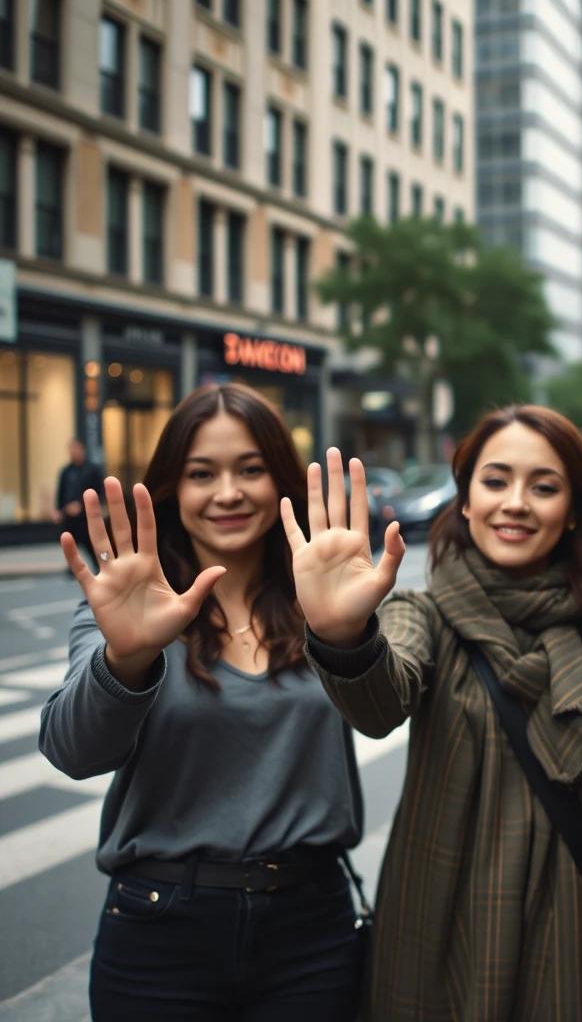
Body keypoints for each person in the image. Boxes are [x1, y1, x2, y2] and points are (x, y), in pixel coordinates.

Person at [284, 405, 582, 1021]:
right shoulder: (423, 616)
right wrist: (342, 633)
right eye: (495, 481)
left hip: (578, 957)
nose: (516, 503)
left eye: (544, 487)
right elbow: (381, 702)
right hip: (436, 949)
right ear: (465, 500)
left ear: (573, 509)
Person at [39, 384, 365, 1021]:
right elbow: (73, 751)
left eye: (250, 469)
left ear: (281, 481)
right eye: (201, 474)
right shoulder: (127, 608)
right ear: (170, 490)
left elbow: (387, 704)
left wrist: (349, 632)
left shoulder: (325, 601)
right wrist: (127, 657)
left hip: (310, 928)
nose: (227, 493)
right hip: (159, 933)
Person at [54, 438, 105, 571]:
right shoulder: (66, 471)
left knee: (90, 543)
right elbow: (61, 491)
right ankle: (73, 567)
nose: (72, 452)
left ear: (82, 449)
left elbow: (99, 492)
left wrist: (81, 506)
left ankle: (99, 565)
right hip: (69, 516)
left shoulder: (92, 470)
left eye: (75, 448)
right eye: (70, 449)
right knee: (70, 542)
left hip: (86, 516)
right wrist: (59, 510)